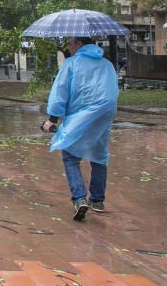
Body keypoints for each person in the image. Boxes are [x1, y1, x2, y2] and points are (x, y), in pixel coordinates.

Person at [41, 36, 119, 221]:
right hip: (105, 113)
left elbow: (61, 91)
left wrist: (52, 119)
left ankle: (79, 198)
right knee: (99, 155)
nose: (68, 47)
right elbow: (114, 89)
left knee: (70, 156)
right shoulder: (107, 64)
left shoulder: (72, 63)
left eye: (69, 43)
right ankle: (98, 201)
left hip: (81, 113)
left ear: (79, 44)